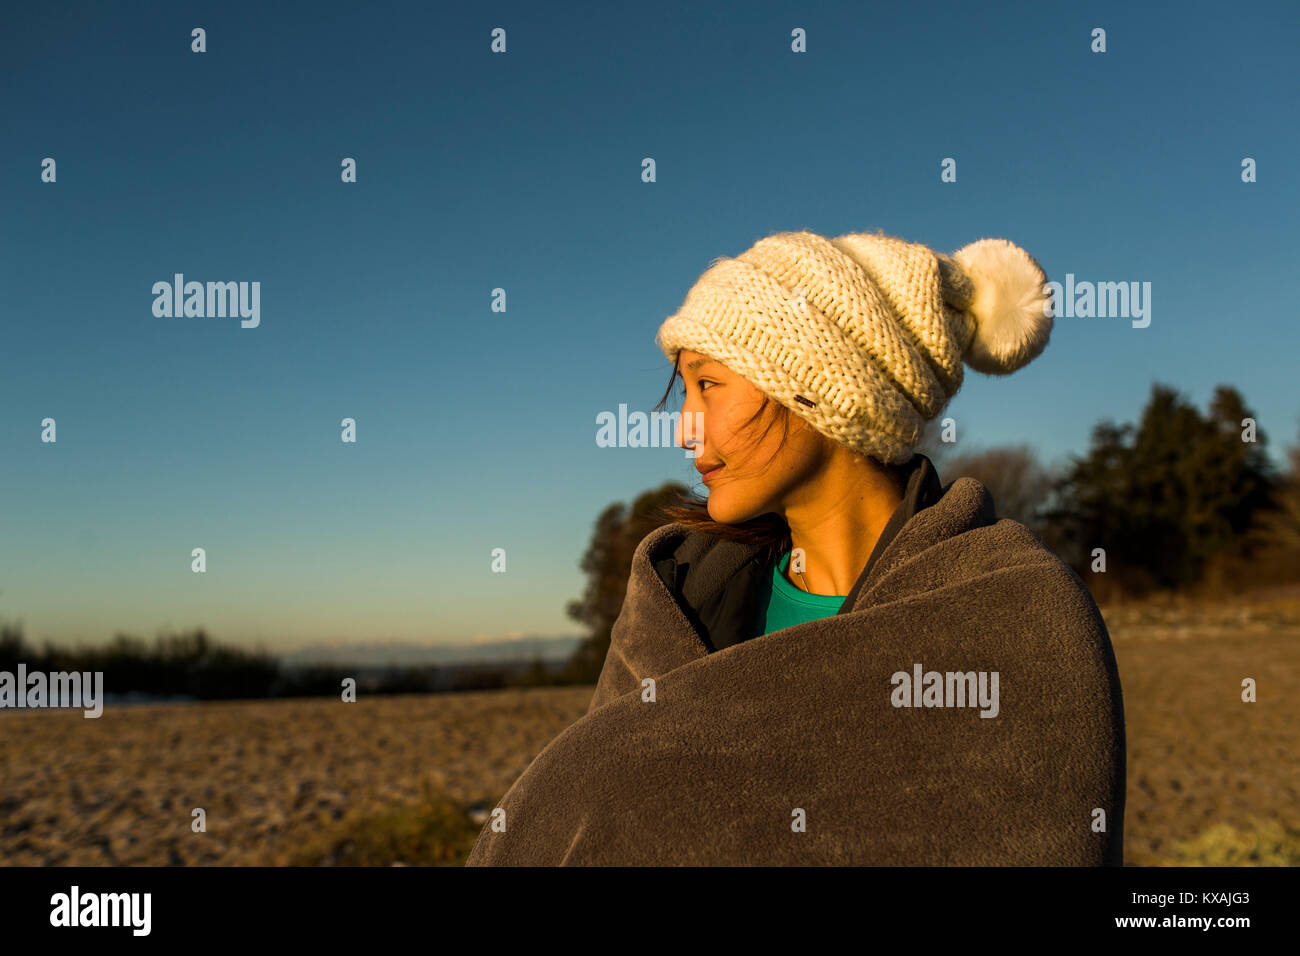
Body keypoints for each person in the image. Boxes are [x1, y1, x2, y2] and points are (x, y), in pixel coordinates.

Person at [466, 228, 1126, 866]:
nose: (683, 430)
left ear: (817, 386)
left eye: (708, 384)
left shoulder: (1014, 615)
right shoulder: (676, 600)